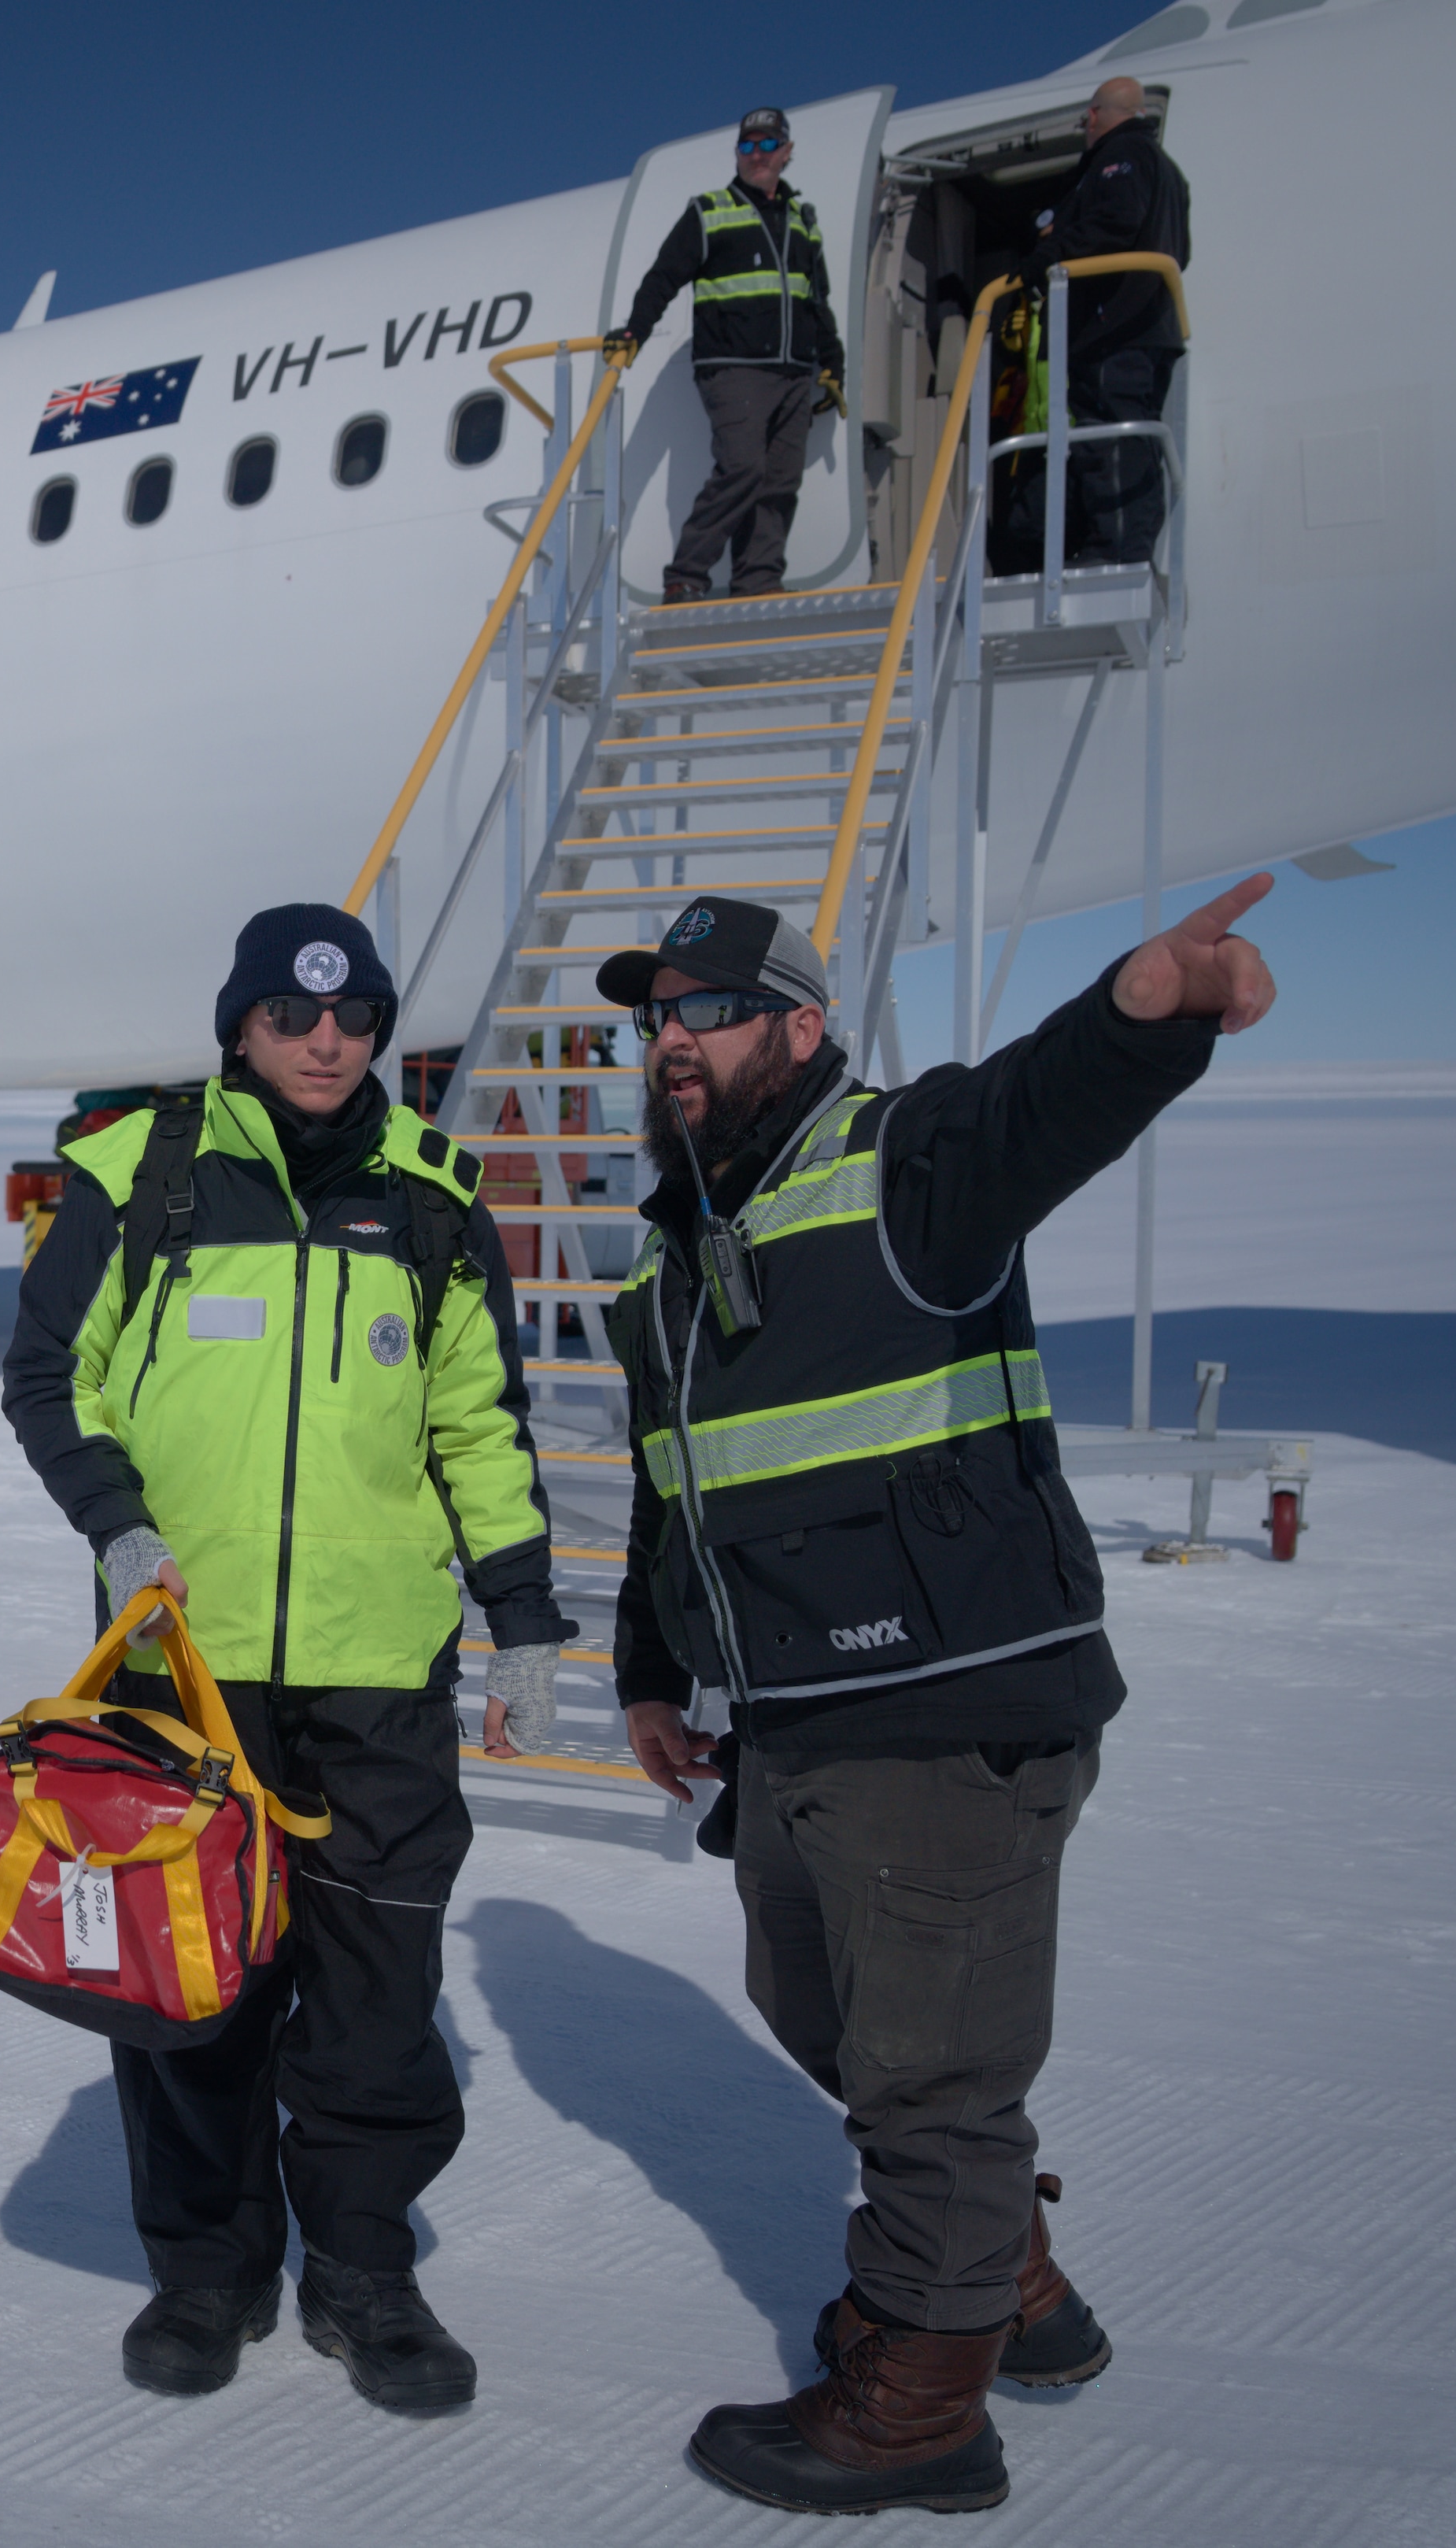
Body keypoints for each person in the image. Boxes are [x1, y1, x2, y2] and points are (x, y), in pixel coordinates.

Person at [596, 880, 1279, 2515]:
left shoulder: (903, 1164)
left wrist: (1147, 1010)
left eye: (704, 1010)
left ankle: (918, 2402)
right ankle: (1011, 2287)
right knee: (823, 2012)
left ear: (800, 1026)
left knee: (933, 2078)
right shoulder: (683, 1234)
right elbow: (671, 1479)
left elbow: (1039, 1109)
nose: (668, 1043)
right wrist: (645, 1664)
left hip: (948, 1708)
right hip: (796, 1713)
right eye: (650, 1017)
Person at [2, 904, 570, 2415]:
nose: (329, 1041)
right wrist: (119, 1526)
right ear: (239, 1027)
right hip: (185, 1671)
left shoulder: (439, 1197)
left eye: (357, 1016)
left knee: (380, 1986)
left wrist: (524, 1616)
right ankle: (208, 2265)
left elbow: (480, 1429)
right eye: (293, 1016)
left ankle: (364, 2269)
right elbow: (55, 1376)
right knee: (192, 1984)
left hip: (380, 1669)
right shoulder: (141, 1172)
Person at [606, 107, 848, 604]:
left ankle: (758, 581)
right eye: (747, 146)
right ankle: (686, 576)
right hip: (734, 368)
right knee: (743, 469)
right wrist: (635, 331)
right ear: (737, 154)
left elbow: (816, 298)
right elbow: (663, 277)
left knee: (780, 481)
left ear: (786, 152)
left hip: (793, 370)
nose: (757, 155)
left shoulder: (804, 221)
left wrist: (832, 363)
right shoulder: (710, 211)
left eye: (767, 145)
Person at [1040, 75, 1193, 568]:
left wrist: (1052, 249)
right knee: (1131, 438)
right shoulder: (1169, 172)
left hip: (1114, 330)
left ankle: (1119, 550)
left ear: (1094, 115)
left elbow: (1115, 224)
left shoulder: (1118, 157)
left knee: (1110, 437)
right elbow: (1181, 253)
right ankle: (1129, 545)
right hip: (1149, 328)